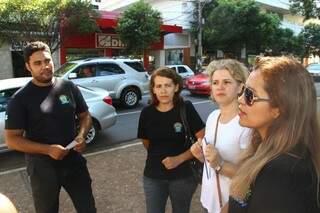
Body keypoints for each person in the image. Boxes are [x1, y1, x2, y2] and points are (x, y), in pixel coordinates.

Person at [4, 41, 96, 213]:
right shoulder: (20, 99)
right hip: (42, 168)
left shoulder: (68, 86)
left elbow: (85, 116)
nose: (44, 66)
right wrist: (48, 149)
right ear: (28, 66)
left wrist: (82, 135)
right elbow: (12, 140)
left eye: (47, 61)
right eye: (37, 63)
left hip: (74, 162)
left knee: (88, 208)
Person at [228, 56, 320, 213]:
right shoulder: (268, 148)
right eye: (243, 90)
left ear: (280, 108)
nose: (240, 99)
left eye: (249, 94)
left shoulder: (282, 173)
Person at [137, 67, 205, 213]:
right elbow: (146, 142)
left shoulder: (186, 108)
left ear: (176, 87)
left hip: (183, 176)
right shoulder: (146, 112)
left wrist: (179, 159)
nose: (163, 90)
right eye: (158, 86)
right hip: (153, 175)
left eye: (168, 85)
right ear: (153, 89)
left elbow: (203, 141)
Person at [190, 59, 251, 213]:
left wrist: (219, 164)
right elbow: (209, 162)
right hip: (208, 200)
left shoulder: (246, 124)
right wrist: (201, 156)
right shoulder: (212, 117)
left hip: (229, 205)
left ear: (240, 87)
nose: (220, 87)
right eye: (215, 82)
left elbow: (249, 175)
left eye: (227, 82)